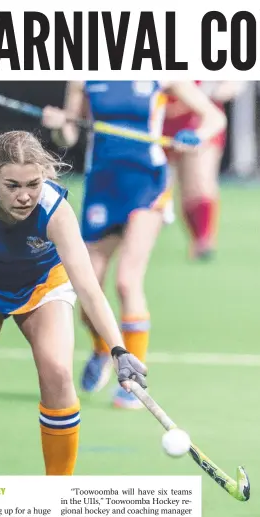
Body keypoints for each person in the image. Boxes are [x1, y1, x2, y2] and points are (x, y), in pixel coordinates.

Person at [0, 130, 148, 476]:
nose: (25, 196)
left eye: (33, 184)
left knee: (58, 373)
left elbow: (88, 286)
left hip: (43, 287)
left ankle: (57, 493)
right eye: (12, 185)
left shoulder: (55, 210)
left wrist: (118, 350)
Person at [42, 81, 227, 408]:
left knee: (128, 281)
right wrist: (59, 127)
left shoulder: (160, 73)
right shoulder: (83, 76)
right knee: (88, 287)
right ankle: (102, 346)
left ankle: (134, 380)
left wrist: (195, 137)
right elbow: (69, 135)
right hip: (102, 184)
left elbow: (214, 117)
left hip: (147, 182)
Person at [162, 81, 247, 260]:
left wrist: (211, 92)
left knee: (199, 182)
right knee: (175, 190)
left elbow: (234, 83)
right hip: (161, 118)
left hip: (202, 120)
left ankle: (204, 240)